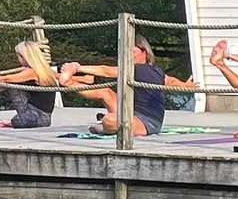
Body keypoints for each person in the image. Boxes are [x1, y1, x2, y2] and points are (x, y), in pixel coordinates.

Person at [64, 40, 195, 139]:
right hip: (130, 113)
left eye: (133, 52)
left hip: (147, 122)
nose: (129, 56)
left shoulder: (140, 69)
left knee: (108, 119)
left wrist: (78, 68)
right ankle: (68, 83)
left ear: (144, 53)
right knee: (105, 91)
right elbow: (171, 81)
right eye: (127, 52)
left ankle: (105, 128)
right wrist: (185, 85)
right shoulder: (157, 71)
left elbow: (107, 71)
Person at [0, 39, 63, 130]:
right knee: (13, 81)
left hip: (34, 115)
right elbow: (59, 77)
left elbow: (5, 78)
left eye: (18, 56)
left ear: (24, 57)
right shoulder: (46, 71)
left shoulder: (31, 72)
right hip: (45, 118)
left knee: (11, 82)